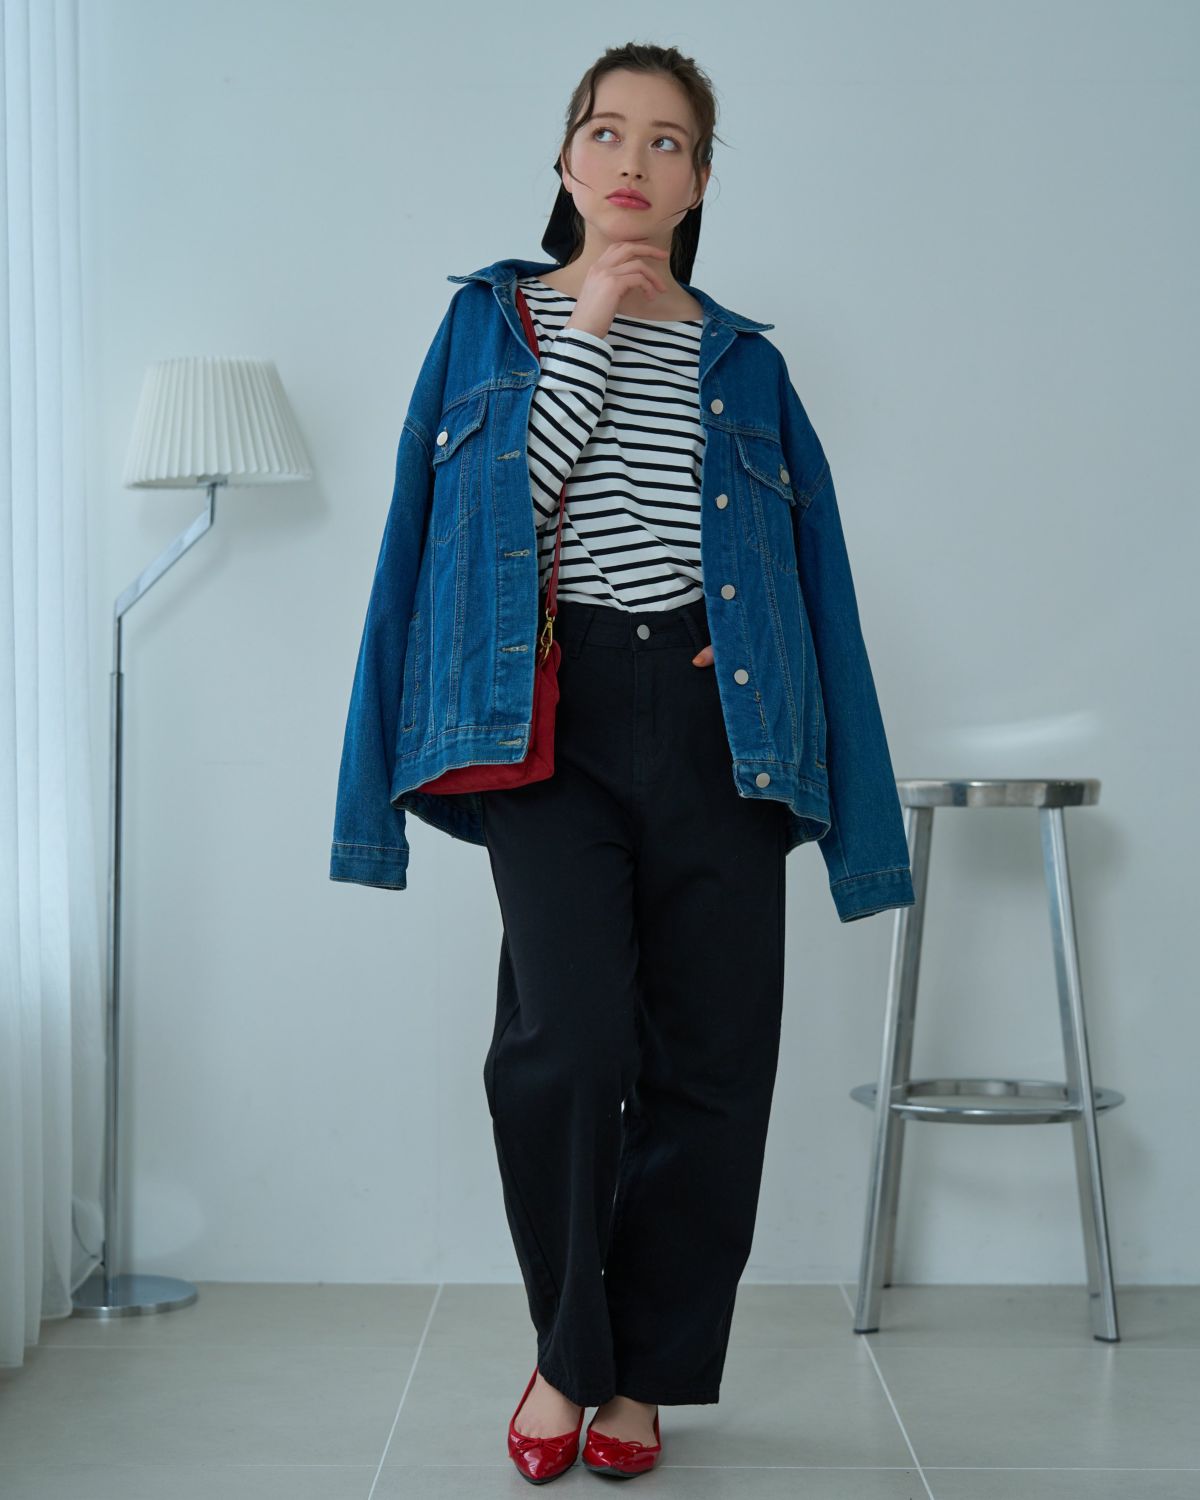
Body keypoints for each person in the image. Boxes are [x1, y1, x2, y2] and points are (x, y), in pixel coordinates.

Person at [329, 39, 915, 1486]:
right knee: (570, 1045)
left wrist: (758, 657)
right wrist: (588, 321)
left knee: (711, 1060)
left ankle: (643, 1375)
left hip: (721, 723)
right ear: (565, 160)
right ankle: (566, 1355)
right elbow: (468, 529)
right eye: (607, 131)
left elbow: (816, 580)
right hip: (548, 717)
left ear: (701, 179)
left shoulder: (746, 361)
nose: (634, 160)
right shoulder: (492, 325)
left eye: (668, 141)